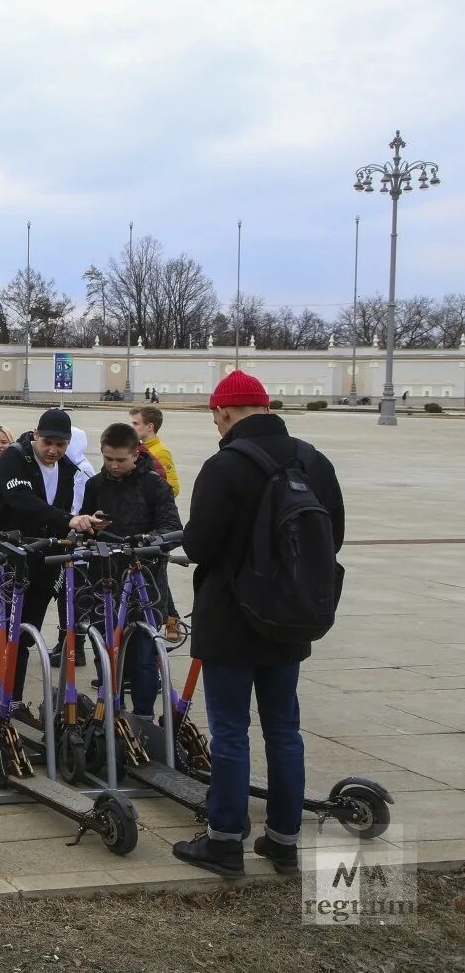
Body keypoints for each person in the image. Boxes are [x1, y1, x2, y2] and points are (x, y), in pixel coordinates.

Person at [172, 371, 343, 879]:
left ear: (223, 413)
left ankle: (225, 842)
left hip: (230, 618)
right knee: (285, 729)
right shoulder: (314, 461)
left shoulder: (224, 466)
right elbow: (333, 535)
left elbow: (199, 545)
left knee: (230, 732)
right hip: (289, 617)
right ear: (267, 408)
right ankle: (284, 841)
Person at [0, 409, 105, 712]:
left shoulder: (69, 470)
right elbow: (22, 501)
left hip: (39, 562)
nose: (53, 450)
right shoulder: (13, 459)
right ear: (36, 434)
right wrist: (68, 519)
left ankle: (14, 700)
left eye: (61, 445)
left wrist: (85, 523)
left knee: (24, 632)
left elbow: (61, 514)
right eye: (48, 442)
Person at [80, 423, 181, 716]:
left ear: (136, 454)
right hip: (103, 580)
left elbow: (173, 529)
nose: (113, 465)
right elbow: (83, 526)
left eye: (120, 460)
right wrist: (89, 524)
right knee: (104, 652)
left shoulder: (154, 485)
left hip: (144, 581)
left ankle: (144, 715)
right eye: (108, 458)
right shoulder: (95, 485)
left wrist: (148, 542)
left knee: (143, 656)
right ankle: (111, 711)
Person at [129, 406, 181, 497]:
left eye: (135, 424)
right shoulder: (138, 448)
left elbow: (173, 488)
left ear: (149, 426)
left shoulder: (161, 452)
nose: (132, 428)